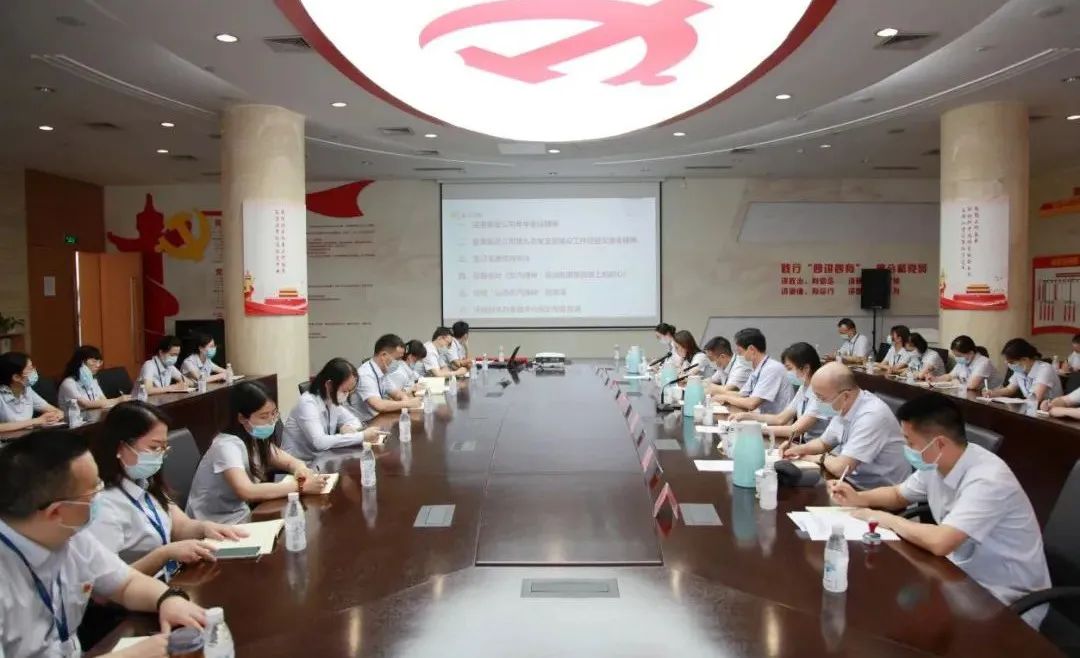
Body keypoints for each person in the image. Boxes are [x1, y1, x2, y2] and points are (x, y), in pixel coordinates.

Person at [828, 395, 1050, 628]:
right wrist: (859, 498)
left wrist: (884, 518)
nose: (906, 449)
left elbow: (941, 542)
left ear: (940, 443)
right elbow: (898, 495)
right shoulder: (937, 461)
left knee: (895, 615)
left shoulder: (988, 480)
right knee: (886, 600)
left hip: (1004, 598)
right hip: (958, 576)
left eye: (909, 442)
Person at [0, 429, 207, 657]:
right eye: (94, 492)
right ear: (56, 512)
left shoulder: (70, 536)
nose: (101, 495)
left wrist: (168, 599)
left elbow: (126, 583)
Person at [88, 401, 247, 579]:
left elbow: (180, 526)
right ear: (120, 447)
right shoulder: (102, 504)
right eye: (154, 447)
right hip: (140, 591)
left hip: (171, 580)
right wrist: (164, 554)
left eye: (164, 448)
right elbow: (106, 581)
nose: (160, 455)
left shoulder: (144, 483)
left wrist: (204, 527)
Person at [186, 380, 326, 524]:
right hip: (213, 523)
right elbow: (247, 491)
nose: (271, 421)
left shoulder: (255, 437)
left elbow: (290, 462)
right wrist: (300, 487)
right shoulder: (226, 446)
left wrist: (301, 470)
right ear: (242, 418)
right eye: (264, 416)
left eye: (274, 414)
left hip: (241, 515)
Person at [782, 362, 910, 489]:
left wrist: (819, 458)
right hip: (851, 481)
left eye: (821, 398)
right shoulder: (843, 405)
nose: (817, 403)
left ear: (845, 396)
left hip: (877, 492)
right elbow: (823, 443)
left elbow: (842, 468)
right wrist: (799, 449)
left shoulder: (872, 415)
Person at [283, 357, 382, 461]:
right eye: (344, 391)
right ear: (329, 385)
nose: (346, 395)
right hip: (297, 463)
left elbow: (354, 420)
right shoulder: (307, 403)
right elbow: (320, 442)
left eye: (350, 391)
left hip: (320, 459)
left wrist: (347, 426)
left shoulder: (331, 400)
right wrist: (361, 436)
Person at [731, 342, 829, 441]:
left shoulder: (821, 393)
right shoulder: (804, 387)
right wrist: (747, 416)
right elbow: (780, 418)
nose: (787, 373)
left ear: (806, 368)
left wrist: (754, 429)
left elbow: (794, 430)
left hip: (816, 446)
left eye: (789, 368)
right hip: (806, 443)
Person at [713, 328, 794, 414]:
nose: (739, 355)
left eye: (740, 351)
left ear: (751, 349)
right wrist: (718, 395)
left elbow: (752, 403)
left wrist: (725, 398)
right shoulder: (758, 368)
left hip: (774, 419)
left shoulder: (772, 369)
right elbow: (743, 394)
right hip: (761, 416)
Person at [352, 335, 423, 421]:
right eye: (397, 359)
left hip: (377, 417)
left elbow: (396, 393)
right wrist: (407, 403)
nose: (400, 362)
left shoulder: (382, 372)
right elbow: (379, 405)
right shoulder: (365, 374)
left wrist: (404, 398)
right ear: (383, 355)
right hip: (364, 423)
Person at [987, 338, 1063, 406]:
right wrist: (993, 393)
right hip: (1030, 409)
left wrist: (1018, 403)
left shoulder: (1045, 369)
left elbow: (1036, 398)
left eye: (1011, 362)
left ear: (1025, 359)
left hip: (1050, 410)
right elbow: (1010, 389)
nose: (1010, 365)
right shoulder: (1020, 370)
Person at [0, 351, 62, 433]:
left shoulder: (27, 390)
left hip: (26, 437)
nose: (34, 371)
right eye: (30, 369)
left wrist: (54, 417)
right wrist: (36, 421)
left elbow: (57, 412)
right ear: (16, 377)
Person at [58, 345, 128, 412]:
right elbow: (85, 404)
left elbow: (104, 401)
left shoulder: (93, 381)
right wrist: (118, 400)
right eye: (94, 361)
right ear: (82, 362)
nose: (98, 365)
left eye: (99, 362)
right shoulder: (68, 382)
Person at [933, 335, 1001, 391]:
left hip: (992, 397)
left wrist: (954, 382)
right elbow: (950, 376)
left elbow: (971, 386)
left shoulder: (984, 362)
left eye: (959, 356)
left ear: (971, 353)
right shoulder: (963, 361)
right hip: (972, 395)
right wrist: (935, 379)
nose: (957, 358)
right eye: (955, 355)